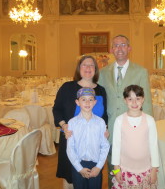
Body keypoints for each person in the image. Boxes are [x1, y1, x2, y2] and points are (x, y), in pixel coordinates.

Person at [98, 34, 153, 188]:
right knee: (112, 166)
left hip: (134, 127)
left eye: (123, 45)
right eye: (116, 45)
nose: (119, 48)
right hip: (110, 128)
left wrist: (148, 129)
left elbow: (146, 101)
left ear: (129, 48)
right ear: (111, 50)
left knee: (133, 165)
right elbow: (100, 101)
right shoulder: (103, 72)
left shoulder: (141, 71)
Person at [53, 55, 108, 189]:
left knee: (93, 179)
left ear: (95, 69)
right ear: (79, 68)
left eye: (91, 65)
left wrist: (105, 129)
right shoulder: (67, 87)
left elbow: (105, 114)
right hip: (70, 137)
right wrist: (64, 125)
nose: (88, 68)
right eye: (84, 65)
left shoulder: (101, 90)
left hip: (93, 142)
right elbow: (57, 109)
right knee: (69, 175)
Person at [111, 85, 159, 189]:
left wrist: (154, 170)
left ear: (143, 99)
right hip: (124, 171)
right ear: (125, 100)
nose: (134, 103)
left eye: (137, 99)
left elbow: (154, 146)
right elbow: (116, 147)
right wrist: (116, 169)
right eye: (130, 99)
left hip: (145, 171)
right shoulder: (119, 120)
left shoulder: (149, 120)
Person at [67, 87, 110, 189]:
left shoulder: (100, 122)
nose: (87, 102)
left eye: (90, 99)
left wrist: (99, 167)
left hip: (95, 164)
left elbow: (105, 146)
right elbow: (70, 148)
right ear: (77, 102)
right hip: (78, 164)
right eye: (83, 99)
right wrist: (79, 168)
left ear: (95, 102)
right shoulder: (72, 123)